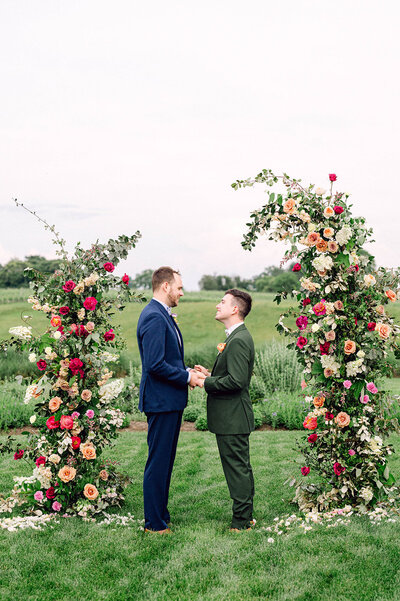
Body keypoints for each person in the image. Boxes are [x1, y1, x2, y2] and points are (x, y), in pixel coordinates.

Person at [137, 266, 205, 534]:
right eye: (179, 287)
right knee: (158, 461)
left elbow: (167, 360)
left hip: (169, 400)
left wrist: (187, 370)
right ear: (165, 286)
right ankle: (154, 523)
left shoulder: (162, 315)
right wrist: (186, 379)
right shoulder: (154, 316)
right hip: (161, 400)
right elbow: (154, 365)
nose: (182, 292)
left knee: (165, 460)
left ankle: (161, 514)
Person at [195, 289, 255, 532]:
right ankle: (246, 516)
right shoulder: (235, 336)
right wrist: (211, 374)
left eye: (222, 302)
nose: (217, 305)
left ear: (235, 309)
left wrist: (204, 382)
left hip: (233, 418)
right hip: (232, 417)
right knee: (239, 467)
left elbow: (237, 381)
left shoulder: (239, 339)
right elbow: (231, 376)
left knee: (237, 469)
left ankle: (241, 521)